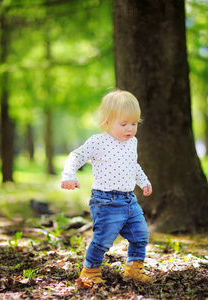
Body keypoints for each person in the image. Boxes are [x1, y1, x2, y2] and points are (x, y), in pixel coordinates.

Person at [61, 89, 154, 284]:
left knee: (141, 235)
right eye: (123, 124)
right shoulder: (98, 142)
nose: (130, 128)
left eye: (134, 124)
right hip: (106, 201)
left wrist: (144, 181)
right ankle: (90, 272)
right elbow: (76, 156)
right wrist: (69, 175)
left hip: (130, 200)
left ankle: (133, 270)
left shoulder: (132, 142)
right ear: (107, 122)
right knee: (103, 240)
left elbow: (133, 165)